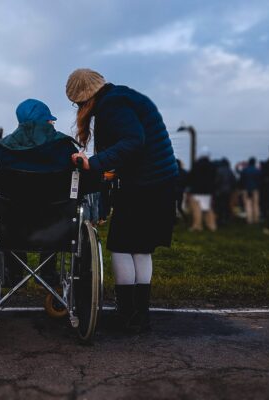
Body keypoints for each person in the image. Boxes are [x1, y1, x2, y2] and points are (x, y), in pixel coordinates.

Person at [66, 68, 178, 333]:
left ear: (85, 98)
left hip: (145, 183)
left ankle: (127, 312)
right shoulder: (123, 97)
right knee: (140, 248)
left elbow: (132, 140)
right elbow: (134, 144)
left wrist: (93, 164)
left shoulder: (112, 105)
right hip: (159, 181)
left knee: (121, 246)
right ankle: (140, 315)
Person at [0, 99, 86, 287]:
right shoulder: (65, 147)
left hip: (12, 227)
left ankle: (14, 271)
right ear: (46, 121)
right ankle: (49, 272)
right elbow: (85, 184)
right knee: (55, 213)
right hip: (56, 227)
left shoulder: (2, 150)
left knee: (8, 216)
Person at [187, 147, 217, 232]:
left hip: (196, 191)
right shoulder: (212, 166)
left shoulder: (196, 164)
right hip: (208, 191)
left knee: (197, 209)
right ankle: (212, 226)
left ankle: (197, 226)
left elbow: (191, 177)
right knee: (208, 209)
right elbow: (214, 178)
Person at [214, 158, 236, 226]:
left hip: (219, 191)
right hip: (228, 191)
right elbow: (234, 181)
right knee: (227, 205)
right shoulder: (230, 171)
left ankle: (220, 220)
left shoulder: (219, 170)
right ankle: (226, 219)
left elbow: (216, 181)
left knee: (219, 206)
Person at [239, 157, 261, 224]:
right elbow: (260, 181)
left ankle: (249, 220)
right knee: (256, 205)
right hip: (255, 189)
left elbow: (241, 180)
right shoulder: (257, 171)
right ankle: (256, 219)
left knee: (248, 205)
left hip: (246, 189)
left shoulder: (244, 170)